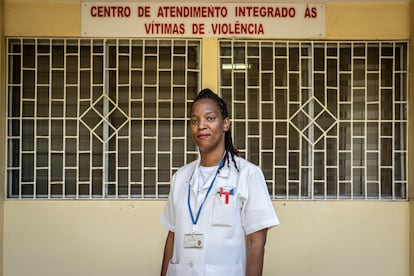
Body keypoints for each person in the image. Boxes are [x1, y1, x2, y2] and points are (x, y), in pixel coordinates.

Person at [160, 88, 279, 276]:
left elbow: (256, 243)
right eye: (194, 120)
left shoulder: (247, 175)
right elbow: (172, 235)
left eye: (210, 118)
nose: (201, 126)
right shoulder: (181, 177)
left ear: (225, 124)